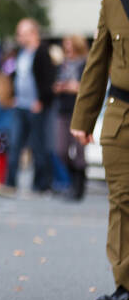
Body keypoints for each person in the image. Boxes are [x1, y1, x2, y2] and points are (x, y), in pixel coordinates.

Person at [72, 0, 129, 300]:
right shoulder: (114, 0)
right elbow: (98, 61)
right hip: (122, 117)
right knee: (122, 200)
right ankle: (125, 289)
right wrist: (83, 117)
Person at [0, 18, 55, 197]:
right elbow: (16, 76)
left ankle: (41, 185)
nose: (19, 37)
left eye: (22, 34)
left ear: (33, 33)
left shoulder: (42, 53)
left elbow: (48, 79)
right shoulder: (21, 54)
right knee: (14, 145)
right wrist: (13, 96)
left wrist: (42, 101)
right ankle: (10, 183)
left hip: (35, 106)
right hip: (20, 105)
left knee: (38, 146)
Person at [55, 35, 89, 200]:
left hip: (79, 110)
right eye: (65, 45)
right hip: (63, 109)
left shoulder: (85, 64)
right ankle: (72, 178)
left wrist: (72, 87)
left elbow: (87, 86)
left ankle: (79, 185)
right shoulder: (63, 64)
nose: (67, 48)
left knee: (79, 151)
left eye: (70, 45)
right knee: (60, 149)